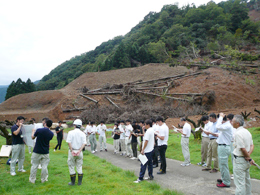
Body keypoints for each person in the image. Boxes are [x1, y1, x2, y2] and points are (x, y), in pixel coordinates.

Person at [232, 115, 255, 195]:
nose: (231, 123)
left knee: (240, 183)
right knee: (247, 181)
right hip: (245, 161)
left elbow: (243, 149)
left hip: (240, 160)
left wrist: (248, 157)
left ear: (237, 123)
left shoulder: (238, 134)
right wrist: (248, 157)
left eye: (232, 121)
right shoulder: (247, 131)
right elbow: (252, 146)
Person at [29, 119, 54, 183]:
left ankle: (32, 180)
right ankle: (44, 179)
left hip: (37, 150)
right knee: (44, 166)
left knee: (34, 165)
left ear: (45, 124)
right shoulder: (51, 133)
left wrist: (33, 131)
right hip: (45, 151)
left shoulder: (39, 130)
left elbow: (33, 137)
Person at [66, 119, 86, 186]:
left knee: (71, 166)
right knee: (79, 166)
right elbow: (84, 143)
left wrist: (72, 151)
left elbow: (69, 142)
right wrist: (79, 151)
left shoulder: (70, 132)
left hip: (72, 151)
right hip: (79, 152)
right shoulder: (83, 133)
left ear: (74, 125)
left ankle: (73, 182)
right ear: (80, 126)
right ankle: (79, 183)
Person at [215, 113, 233, 188]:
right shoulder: (226, 125)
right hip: (223, 146)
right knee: (222, 165)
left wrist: (220, 117)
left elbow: (217, 126)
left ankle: (226, 182)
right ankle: (223, 178)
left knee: (223, 165)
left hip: (224, 147)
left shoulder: (227, 125)